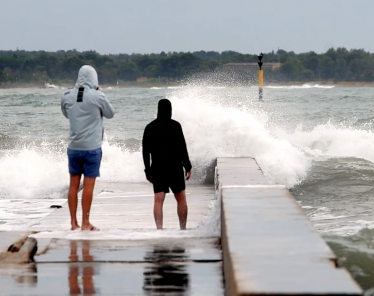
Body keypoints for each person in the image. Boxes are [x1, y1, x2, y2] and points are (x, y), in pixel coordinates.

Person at [61, 65, 114, 231]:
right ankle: (85, 222)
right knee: (88, 186)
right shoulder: (97, 96)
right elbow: (110, 113)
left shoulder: (67, 96)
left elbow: (66, 113)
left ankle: (73, 223)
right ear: (94, 78)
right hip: (92, 148)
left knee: (73, 185)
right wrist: (101, 93)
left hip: (74, 147)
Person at [142, 99, 192, 230]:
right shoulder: (176, 126)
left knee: (158, 199)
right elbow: (183, 147)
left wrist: (148, 171)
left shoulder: (150, 127)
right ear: (170, 110)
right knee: (181, 198)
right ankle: (183, 228)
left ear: (158, 110)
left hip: (158, 168)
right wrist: (188, 166)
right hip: (175, 167)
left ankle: (159, 229)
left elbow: (145, 152)